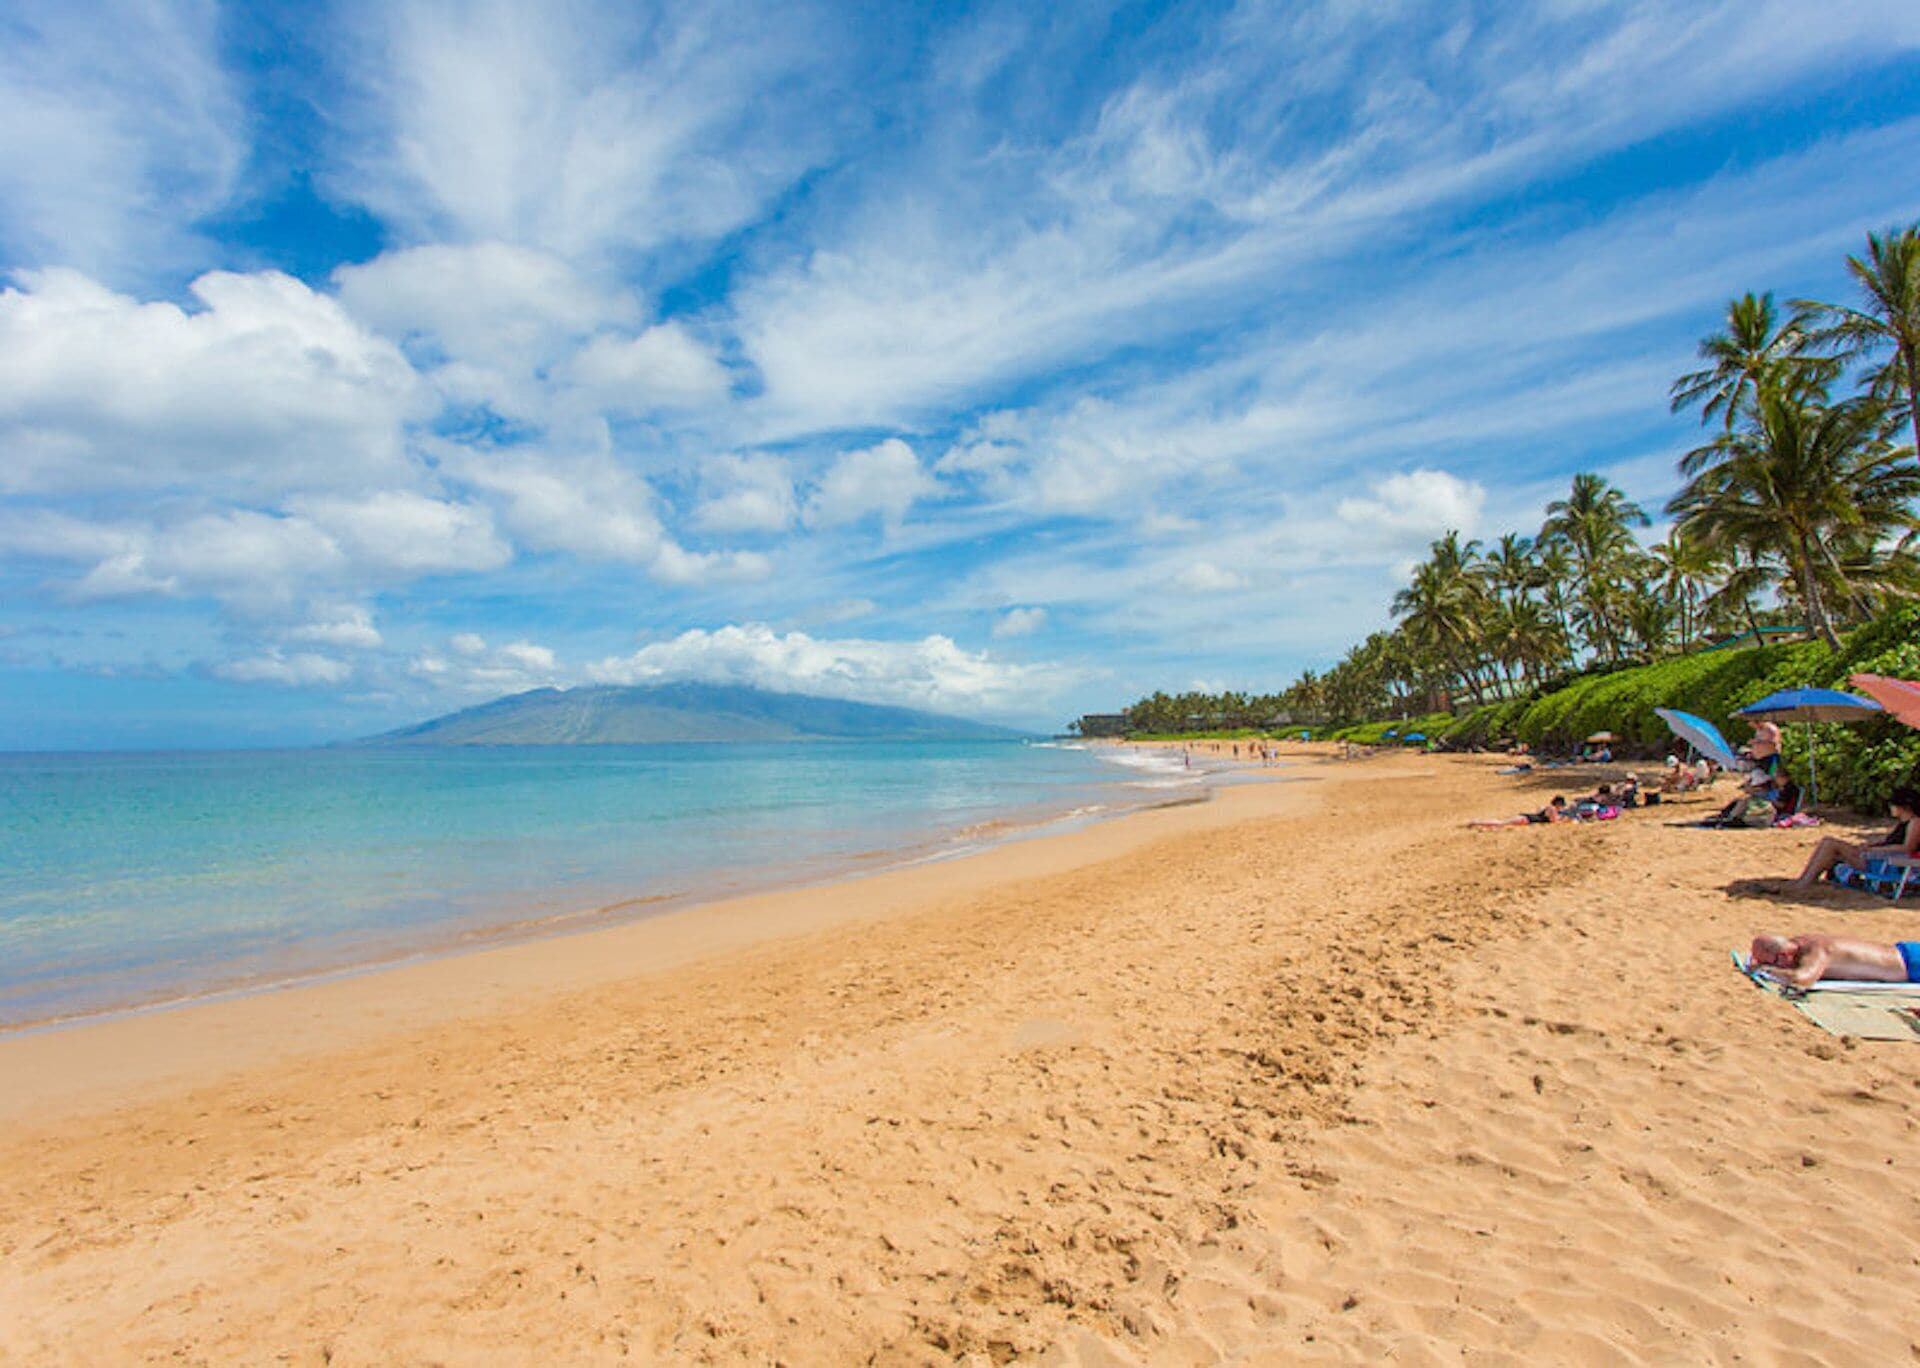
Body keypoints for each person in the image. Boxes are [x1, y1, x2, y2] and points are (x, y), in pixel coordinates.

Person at [1788, 787, 1920, 887]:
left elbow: (1908, 848)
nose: (1891, 807)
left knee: (1830, 844)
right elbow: (1890, 842)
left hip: (1890, 863)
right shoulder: (1903, 823)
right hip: (1882, 857)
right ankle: (1807, 879)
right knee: (1829, 845)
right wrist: (1872, 845)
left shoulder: (1915, 822)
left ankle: (1806, 881)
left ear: (1904, 807)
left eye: (1893, 804)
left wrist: (1873, 851)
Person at [1748, 933, 1920, 988]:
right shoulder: (1799, 943)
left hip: (1910, 964)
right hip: (1906, 955)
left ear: (1785, 955)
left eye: (1772, 962)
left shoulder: (1816, 952)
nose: (1773, 966)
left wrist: (1763, 970)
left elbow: (1802, 979)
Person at [1469, 795, 1568, 829]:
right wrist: (1563, 820)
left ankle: (1479, 823)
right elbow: (1553, 821)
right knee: (1501, 823)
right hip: (1526, 819)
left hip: (1526, 817)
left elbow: (1540, 810)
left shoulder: (1548, 807)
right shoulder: (1553, 809)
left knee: (1501, 824)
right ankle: (1476, 822)